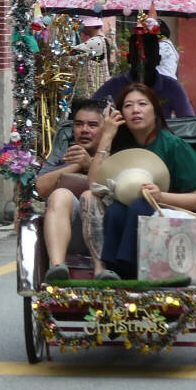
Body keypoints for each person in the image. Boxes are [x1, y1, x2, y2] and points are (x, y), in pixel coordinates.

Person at [91, 82, 196, 280]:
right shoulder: (122, 146)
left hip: (174, 213)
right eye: (128, 106)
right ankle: (113, 271)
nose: (135, 110)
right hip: (132, 212)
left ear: (155, 110)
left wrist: (160, 196)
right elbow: (94, 185)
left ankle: (132, 270)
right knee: (116, 211)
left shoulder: (174, 146)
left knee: (140, 207)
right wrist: (106, 137)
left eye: (142, 104)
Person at [38, 98, 111, 281]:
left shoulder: (114, 152)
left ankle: (100, 269)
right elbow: (41, 188)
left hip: (109, 228)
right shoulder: (65, 153)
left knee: (90, 195)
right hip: (69, 232)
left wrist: (91, 163)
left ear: (105, 129)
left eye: (92, 125)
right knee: (60, 195)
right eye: (79, 124)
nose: (84, 130)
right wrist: (76, 166)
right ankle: (57, 268)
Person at [92, 22, 196, 118]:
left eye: (149, 57)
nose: (143, 62)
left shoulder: (171, 86)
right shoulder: (115, 85)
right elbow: (91, 112)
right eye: (137, 57)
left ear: (158, 59)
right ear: (129, 59)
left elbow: (189, 123)